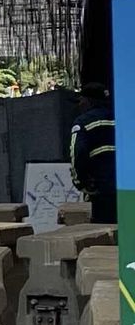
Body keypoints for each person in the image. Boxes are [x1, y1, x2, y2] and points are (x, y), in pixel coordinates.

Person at [70, 83, 115, 224]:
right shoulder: (124, 117)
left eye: (81, 100)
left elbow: (78, 154)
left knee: (106, 235)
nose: (79, 105)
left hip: (102, 190)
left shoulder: (82, 123)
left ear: (88, 101)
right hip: (128, 187)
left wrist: (81, 183)